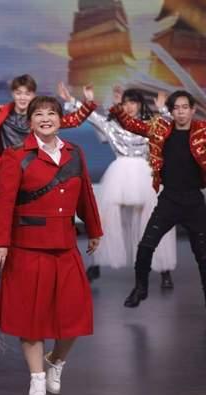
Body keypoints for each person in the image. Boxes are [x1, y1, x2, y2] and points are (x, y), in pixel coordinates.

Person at [0, 96, 102, 395]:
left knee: (75, 314)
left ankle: (56, 362)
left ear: (61, 119)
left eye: (51, 113)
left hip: (65, 245)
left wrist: (94, 229)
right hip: (28, 248)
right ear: (30, 122)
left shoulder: (74, 153)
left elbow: (85, 195)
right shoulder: (16, 155)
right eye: (38, 114)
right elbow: (4, 203)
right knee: (31, 318)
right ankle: (37, 378)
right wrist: (0, 242)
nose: (45, 118)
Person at [0, 75, 96, 279]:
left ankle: (24, 256)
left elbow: (73, 120)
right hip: (9, 175)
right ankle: (2, 258)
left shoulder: (41, 118)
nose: (23, 97)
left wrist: (87, 102)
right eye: (18, 93)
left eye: (27, 93)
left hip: (37, 176)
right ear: (13, 94)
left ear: (33, 95)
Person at [60, 84, 177, 287]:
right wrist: (73, 101)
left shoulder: (150, 124)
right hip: (119, 176)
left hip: (146, 175)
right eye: (126, 103)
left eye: (133, 102)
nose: (129, 107)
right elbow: (93, 118)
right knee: (106, 221)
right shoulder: (113, 125)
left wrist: (163, 109)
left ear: (140, 104)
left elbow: (169, 128)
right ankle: (97, 264)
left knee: (155, 220)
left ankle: (164, 269)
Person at [109, 90, 206, 308]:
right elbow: (131, 125)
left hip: (194, 202)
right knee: (146, 246)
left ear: (192, 110)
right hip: (169, 199)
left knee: (203, 256)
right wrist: (117, 108)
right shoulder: (160, 129)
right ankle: (140, 288)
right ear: (171, 111)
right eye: (176, 108)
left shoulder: (202, 131)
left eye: (185, 107)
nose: (181, 112)